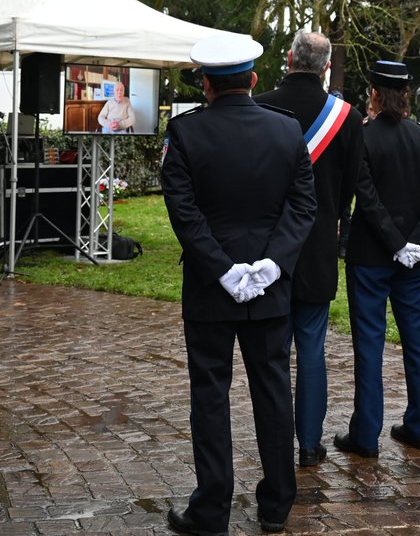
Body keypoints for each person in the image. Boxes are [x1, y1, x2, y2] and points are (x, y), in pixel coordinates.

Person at [161, 34, 316, 536]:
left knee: (210, 394)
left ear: (205, 84)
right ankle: (276, 504)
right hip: (268, 287)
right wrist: (271, 265)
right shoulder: (287, 131)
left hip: (210, 287)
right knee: (272, 390)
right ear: (252, 80)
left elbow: (184, 212)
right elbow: (302, 206)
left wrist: (223, 270)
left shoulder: (185, 133)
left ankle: (211, 510)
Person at [255, 31, 362, 468]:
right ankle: (310, 443)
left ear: (289, 58)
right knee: (312, 349)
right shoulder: (348, 117)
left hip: (268, 246)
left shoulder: (259, 106)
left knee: (273, 351)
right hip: (317, 246)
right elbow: (351, 186)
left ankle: (278, 440)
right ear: (326, 67)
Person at [335, 60, 420, 458]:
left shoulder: (363, 138)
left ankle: (366, 433)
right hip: (411, 259)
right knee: (417, 340)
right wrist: (415, 242)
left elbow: (365, 197)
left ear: (375, 95)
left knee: (370, 343)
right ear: (408, 96)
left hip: (371, 256)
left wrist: (400, 242)